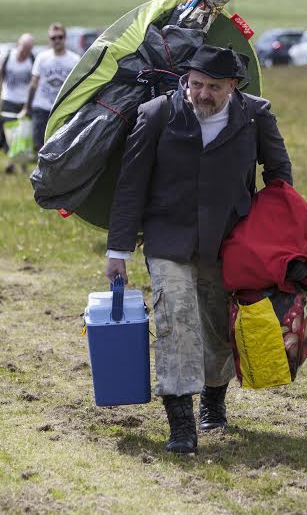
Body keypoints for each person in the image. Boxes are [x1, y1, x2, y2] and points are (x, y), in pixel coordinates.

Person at [103, 45, 292, 454]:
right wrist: (118, 250)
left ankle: (213, 400)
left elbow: (279, 176)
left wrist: (278, 234)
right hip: (168, 239)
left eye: (213, 87)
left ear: (233, 87)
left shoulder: (256, 116)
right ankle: (181, 424)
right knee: (176, 322)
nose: (201, 94)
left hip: (229, 243)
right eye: (196, 84)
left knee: (217, 329)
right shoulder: (157, 114)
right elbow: (131, 184)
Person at [0, 33, 36, 173]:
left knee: (23, 133)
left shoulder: (31, 60)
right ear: (19, 45)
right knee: (8, 133)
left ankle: (22, 164)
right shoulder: (7, 58)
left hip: (25, 102)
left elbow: (35, 83)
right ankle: (11, 162)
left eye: (28, 49)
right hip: (8, 100)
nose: (25, 52)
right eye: (23, 48)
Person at [26, 23, 80, 153]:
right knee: (39, 143)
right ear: (49, 40)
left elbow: (78, 85)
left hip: (62, 108)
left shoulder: (74, 59)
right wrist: (26, 106)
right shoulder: (42, 58)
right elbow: (33, 83)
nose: (57, 40)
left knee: (60, 143)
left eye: (60, 37)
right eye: (53, 38)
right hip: (42, 106)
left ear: (65, 38)